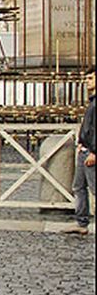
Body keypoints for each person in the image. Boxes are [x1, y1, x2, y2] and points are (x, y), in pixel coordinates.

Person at [65, 67, 96, 235]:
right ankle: (81, 222)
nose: (87, 82)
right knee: (79, 187)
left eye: (91, 78)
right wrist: (81, 142)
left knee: (94, 188)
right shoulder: (92, 101)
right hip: (84, 149)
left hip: (91, 152)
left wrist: (94, 151)